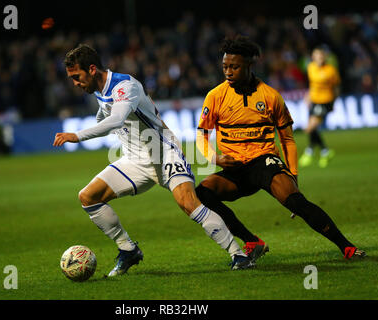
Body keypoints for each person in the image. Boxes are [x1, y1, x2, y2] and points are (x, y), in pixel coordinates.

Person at [53, 44, 254, 277]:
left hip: (164, 153)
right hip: (135, 161)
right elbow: (105, 114)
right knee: (88, 197)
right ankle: (128, 249)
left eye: (77, 77)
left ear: (92, 69)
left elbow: (116, 119)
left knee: (189, 203)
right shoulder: (98, 88)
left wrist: (77, 135)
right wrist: (98, 120)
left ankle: (238, 255)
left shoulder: (125, 86)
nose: (75, 83)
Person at [195, 35, 365, 261]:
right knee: (202, 193)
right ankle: (252, 241)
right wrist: (215, 158)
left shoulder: (270, 96)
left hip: (264, 162)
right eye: (225, 66)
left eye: (234, 67)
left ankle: (347, 247)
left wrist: (293, 176)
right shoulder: (215, 96)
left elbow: (287, 140)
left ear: (249, 65)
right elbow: (201, 135)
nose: (228, 71)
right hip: (234, 168)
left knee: (295, 200)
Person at [299, 47, 341, 168]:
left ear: (324, 57)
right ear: (313, 57)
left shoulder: (331, 70)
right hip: (314, 101)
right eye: (317, 55)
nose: (319, 58)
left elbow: (336, 87)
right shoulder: (311, 67)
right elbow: (313, 85)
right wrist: (308, 96)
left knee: (309, 128)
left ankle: (312, 151)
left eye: (321, 56)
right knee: (313, 129)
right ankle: (323, 151)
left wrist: (333, 103)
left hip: (325, 101)